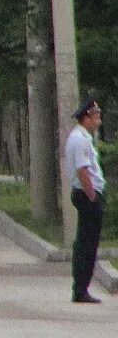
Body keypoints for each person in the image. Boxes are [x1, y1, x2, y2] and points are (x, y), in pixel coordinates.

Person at [66, 98, 105, 303]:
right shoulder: (80, 139)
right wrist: (92, 196)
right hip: (86, 194)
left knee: (86, 241)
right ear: (86, 117)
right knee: (87, 244)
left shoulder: (81, 137)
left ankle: (81, 287)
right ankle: (81, 288)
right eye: (96, 115)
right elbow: (83, 170)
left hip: (85, 193)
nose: (99, 118)